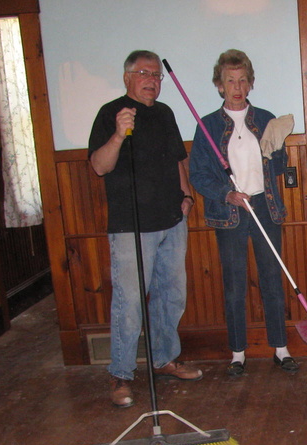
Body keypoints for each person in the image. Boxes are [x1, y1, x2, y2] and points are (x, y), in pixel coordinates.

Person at [89, 50, 202, 409]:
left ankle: (163, 359)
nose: (152, 79)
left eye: (156, 74)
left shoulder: (165, 113)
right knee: (130, 303)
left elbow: (177, 158)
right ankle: (121, 374)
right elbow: (99, 167)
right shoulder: (111, 113)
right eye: (143, 72)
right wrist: (120, 135)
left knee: (171, 295)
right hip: (130, 226)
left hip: (171, 219)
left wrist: (186, 198)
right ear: (127, 78)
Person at [189, 49, 298, 377]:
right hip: (230, 211)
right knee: (235, 283)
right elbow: (198, 174)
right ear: (219, 85)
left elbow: (278, 168)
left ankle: (280, 348)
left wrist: (277, 150)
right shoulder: (207, 126)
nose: (236, 87)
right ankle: (237, 353)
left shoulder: (265, 119)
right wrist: (226, 193)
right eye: (229, 81)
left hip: (265, 206)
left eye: (242, 80)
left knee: (271, 279)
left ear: (250, 84)